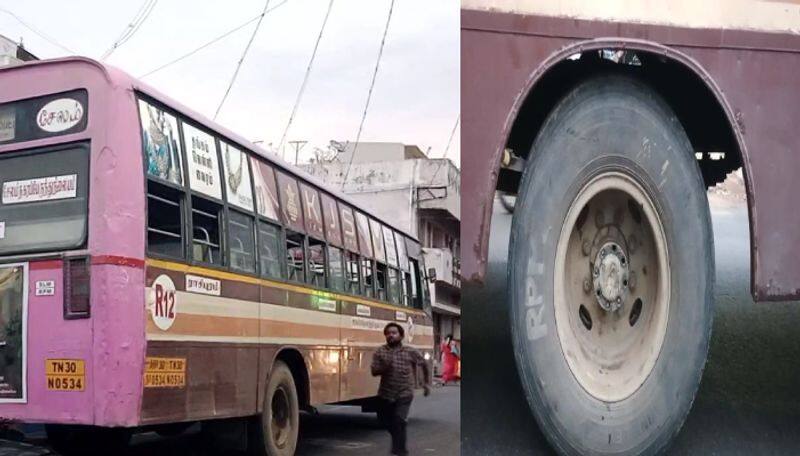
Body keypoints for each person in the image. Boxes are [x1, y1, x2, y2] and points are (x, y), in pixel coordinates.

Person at [371, 322, 431, 456]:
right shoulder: (380, 351)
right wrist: (384, 367)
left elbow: (424, 364)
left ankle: (400, 451)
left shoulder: (410, 351)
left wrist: (426, 383)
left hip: (404, 392)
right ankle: (398, 442)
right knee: (385, 422)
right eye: (388, 333)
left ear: (401, 335)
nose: (390, 335)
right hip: (385, 393)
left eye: (394, 333)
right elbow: (374, 371)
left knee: (398, 420)